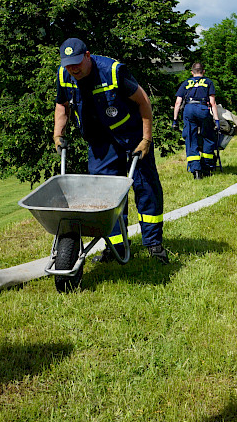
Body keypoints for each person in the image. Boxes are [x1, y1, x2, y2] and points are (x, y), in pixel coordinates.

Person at [53, 37, 170, 264]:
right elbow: (62, 105)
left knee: (145, 186)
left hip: (132, 135)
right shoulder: (64, 75)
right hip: (99, 142)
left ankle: (154, 245)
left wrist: (146, 139)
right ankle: (115, 247)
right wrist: (58, 134)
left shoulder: (113, 71)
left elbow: (143, 101)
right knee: (105, 194)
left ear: (88, 56)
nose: (73, 68)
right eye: (68, 64)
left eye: (77, 62)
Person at [173, 62, 219, 179]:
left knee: (190, 138)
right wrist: (217, 120)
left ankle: (196, 170)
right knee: (208, 137)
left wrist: (175, 120)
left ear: (192, 72)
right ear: (203, 71)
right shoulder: (208, 82)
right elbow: (213, 103)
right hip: (202, 109)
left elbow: (178, 103)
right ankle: (207, 167)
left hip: (188, 110)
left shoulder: (186, 83)